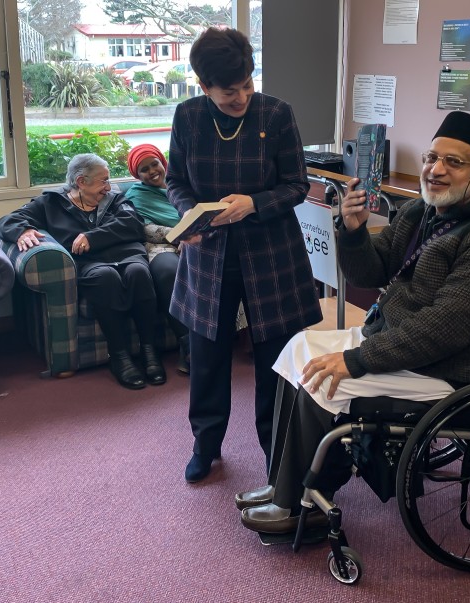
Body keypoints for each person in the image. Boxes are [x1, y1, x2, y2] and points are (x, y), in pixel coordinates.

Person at [236, 111, 470, 533]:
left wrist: (360, 358)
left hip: (451, 369)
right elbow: (370, 273)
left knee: (324, 380)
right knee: (297, 350)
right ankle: (283, 484)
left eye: (453, 163)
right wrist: (352, 230)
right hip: (398, 339)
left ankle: (299, 507)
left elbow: (446, 328)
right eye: (432, 157)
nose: (435, 170)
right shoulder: (421, 212)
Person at [166, 27, 322, 483]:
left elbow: (297, 185)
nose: (242, 97)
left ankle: (276, 450)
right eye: (229, 91)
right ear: (203, 85)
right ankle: (205, 444)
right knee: (207, 357)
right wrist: (188, 215)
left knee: (275, 358)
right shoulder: (189, 116)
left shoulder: (276, 114)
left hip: (272, 254)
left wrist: (253, 203)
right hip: (207, 252)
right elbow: (176, 181)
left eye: (248, 85)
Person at [0, 153, 166, 390]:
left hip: (126, 253)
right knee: (105, 277)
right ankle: (119, 357)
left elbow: (131, 223)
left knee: (138, 272)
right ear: (81, 182)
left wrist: (91, 237)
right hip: (89, 263)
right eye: (103, 181)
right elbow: (8, 221)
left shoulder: (114, 197)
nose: (108, 186)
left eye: (108, 181)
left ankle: (150, 353)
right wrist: (23, 231)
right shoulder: (51, 203)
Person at [124, 143, 190, 374]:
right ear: (137, 175)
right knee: (169, 272)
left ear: (163, 162)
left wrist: (192, 238)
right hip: (160, 246)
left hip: (198, 241)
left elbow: (202, 212)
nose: (152, 171)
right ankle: (188, 344)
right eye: (144, 169)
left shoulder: (184, 184)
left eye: (155, 164)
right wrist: (178, 237)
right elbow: (143, 228)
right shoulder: (136, 195)